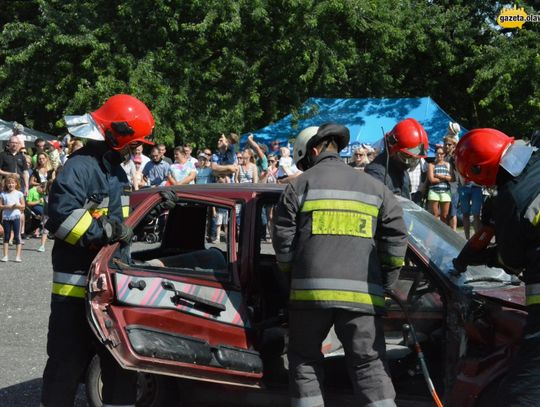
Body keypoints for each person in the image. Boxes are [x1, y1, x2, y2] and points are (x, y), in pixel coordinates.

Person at [272, 123, 408, 407]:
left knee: (305, 361)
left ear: (313, 151)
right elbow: (396, 243)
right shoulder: (376, 188)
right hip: (362, 298)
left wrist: (292, 277)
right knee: (369, 364)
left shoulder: (298, 186)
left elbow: (283, 246)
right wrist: (386, 284)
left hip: (310, 297)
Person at [40, 94, 155, 407]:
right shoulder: (79, 168)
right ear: (115, 135)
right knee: (66, 367)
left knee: (120, 368)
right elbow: (62, 218)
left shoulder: (114, 170)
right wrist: (101, 232)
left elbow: (119, 222)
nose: (138, 148)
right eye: (134, 142)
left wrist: (145, 217)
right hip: (75, 291)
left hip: (108, 289)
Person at [453, 128, 540, 406]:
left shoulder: (511, 198)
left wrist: (488, 256)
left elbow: (512, 260)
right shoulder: (535, 163)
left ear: (479, 170)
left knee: (524, 389)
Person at [365, 118, 428, 199]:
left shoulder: (401, 169)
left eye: (414, 159)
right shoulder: (376, 172)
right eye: (406, 156)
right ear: (392, 148)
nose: (409, 163)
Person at [0, 174, 25, 262]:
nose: (11, 185)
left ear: (16, 184)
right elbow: (0, 206)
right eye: (9, 183)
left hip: (16, 217)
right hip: (6, 217)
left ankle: (18, 256)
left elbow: (23, 206)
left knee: (17, 236)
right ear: (6, 184)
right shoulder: (3, 194)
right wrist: (9, 207)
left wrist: (17, 206)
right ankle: (5, 256)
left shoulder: (19, 193)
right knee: (6, 237)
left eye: (13, 183)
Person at [426, 146, 453, 223]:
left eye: (441, 153)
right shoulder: (431, 165)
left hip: (445, 192)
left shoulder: (448, 165)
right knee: (435, 214)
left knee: (445, 216)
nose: (439, 155)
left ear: (444, 154)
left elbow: (452, 179)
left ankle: (442, 233)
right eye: (437, 153)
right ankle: (434, 233)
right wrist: (445, 178)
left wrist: (439, 176)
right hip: (434, 191)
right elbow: (432, 180)